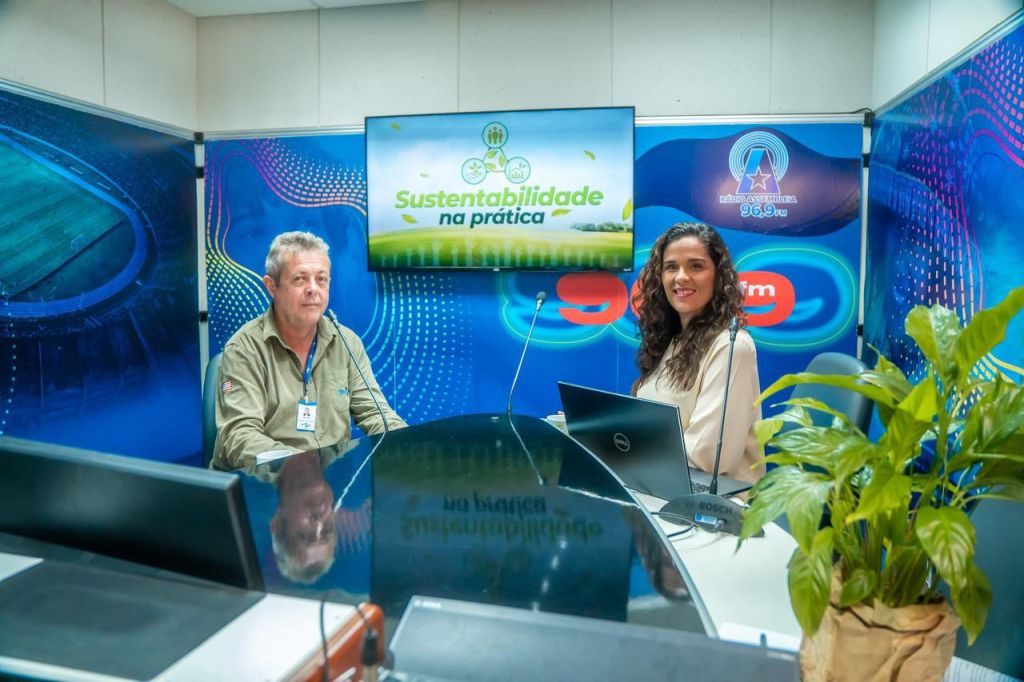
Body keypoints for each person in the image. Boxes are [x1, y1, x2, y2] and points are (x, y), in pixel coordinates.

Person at [210, 231, 405, 470]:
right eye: (300, 279)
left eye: (321, 279)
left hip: (329, 483)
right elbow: (239, 437)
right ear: (271, 286)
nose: (313, 289)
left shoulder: (346, 342)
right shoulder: (244, 349)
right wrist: (302, 465)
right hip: (263, 484)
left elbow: (376, 414)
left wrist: (408, 444)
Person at [631, 222, 764, 485]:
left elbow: (709, 458)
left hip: (717, 502)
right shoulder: (671, 339)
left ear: (718, 276)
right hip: (664, 483)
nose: (681, 277)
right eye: (671, 267)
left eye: (696, 266)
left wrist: (633, 451)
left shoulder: (731, 346)